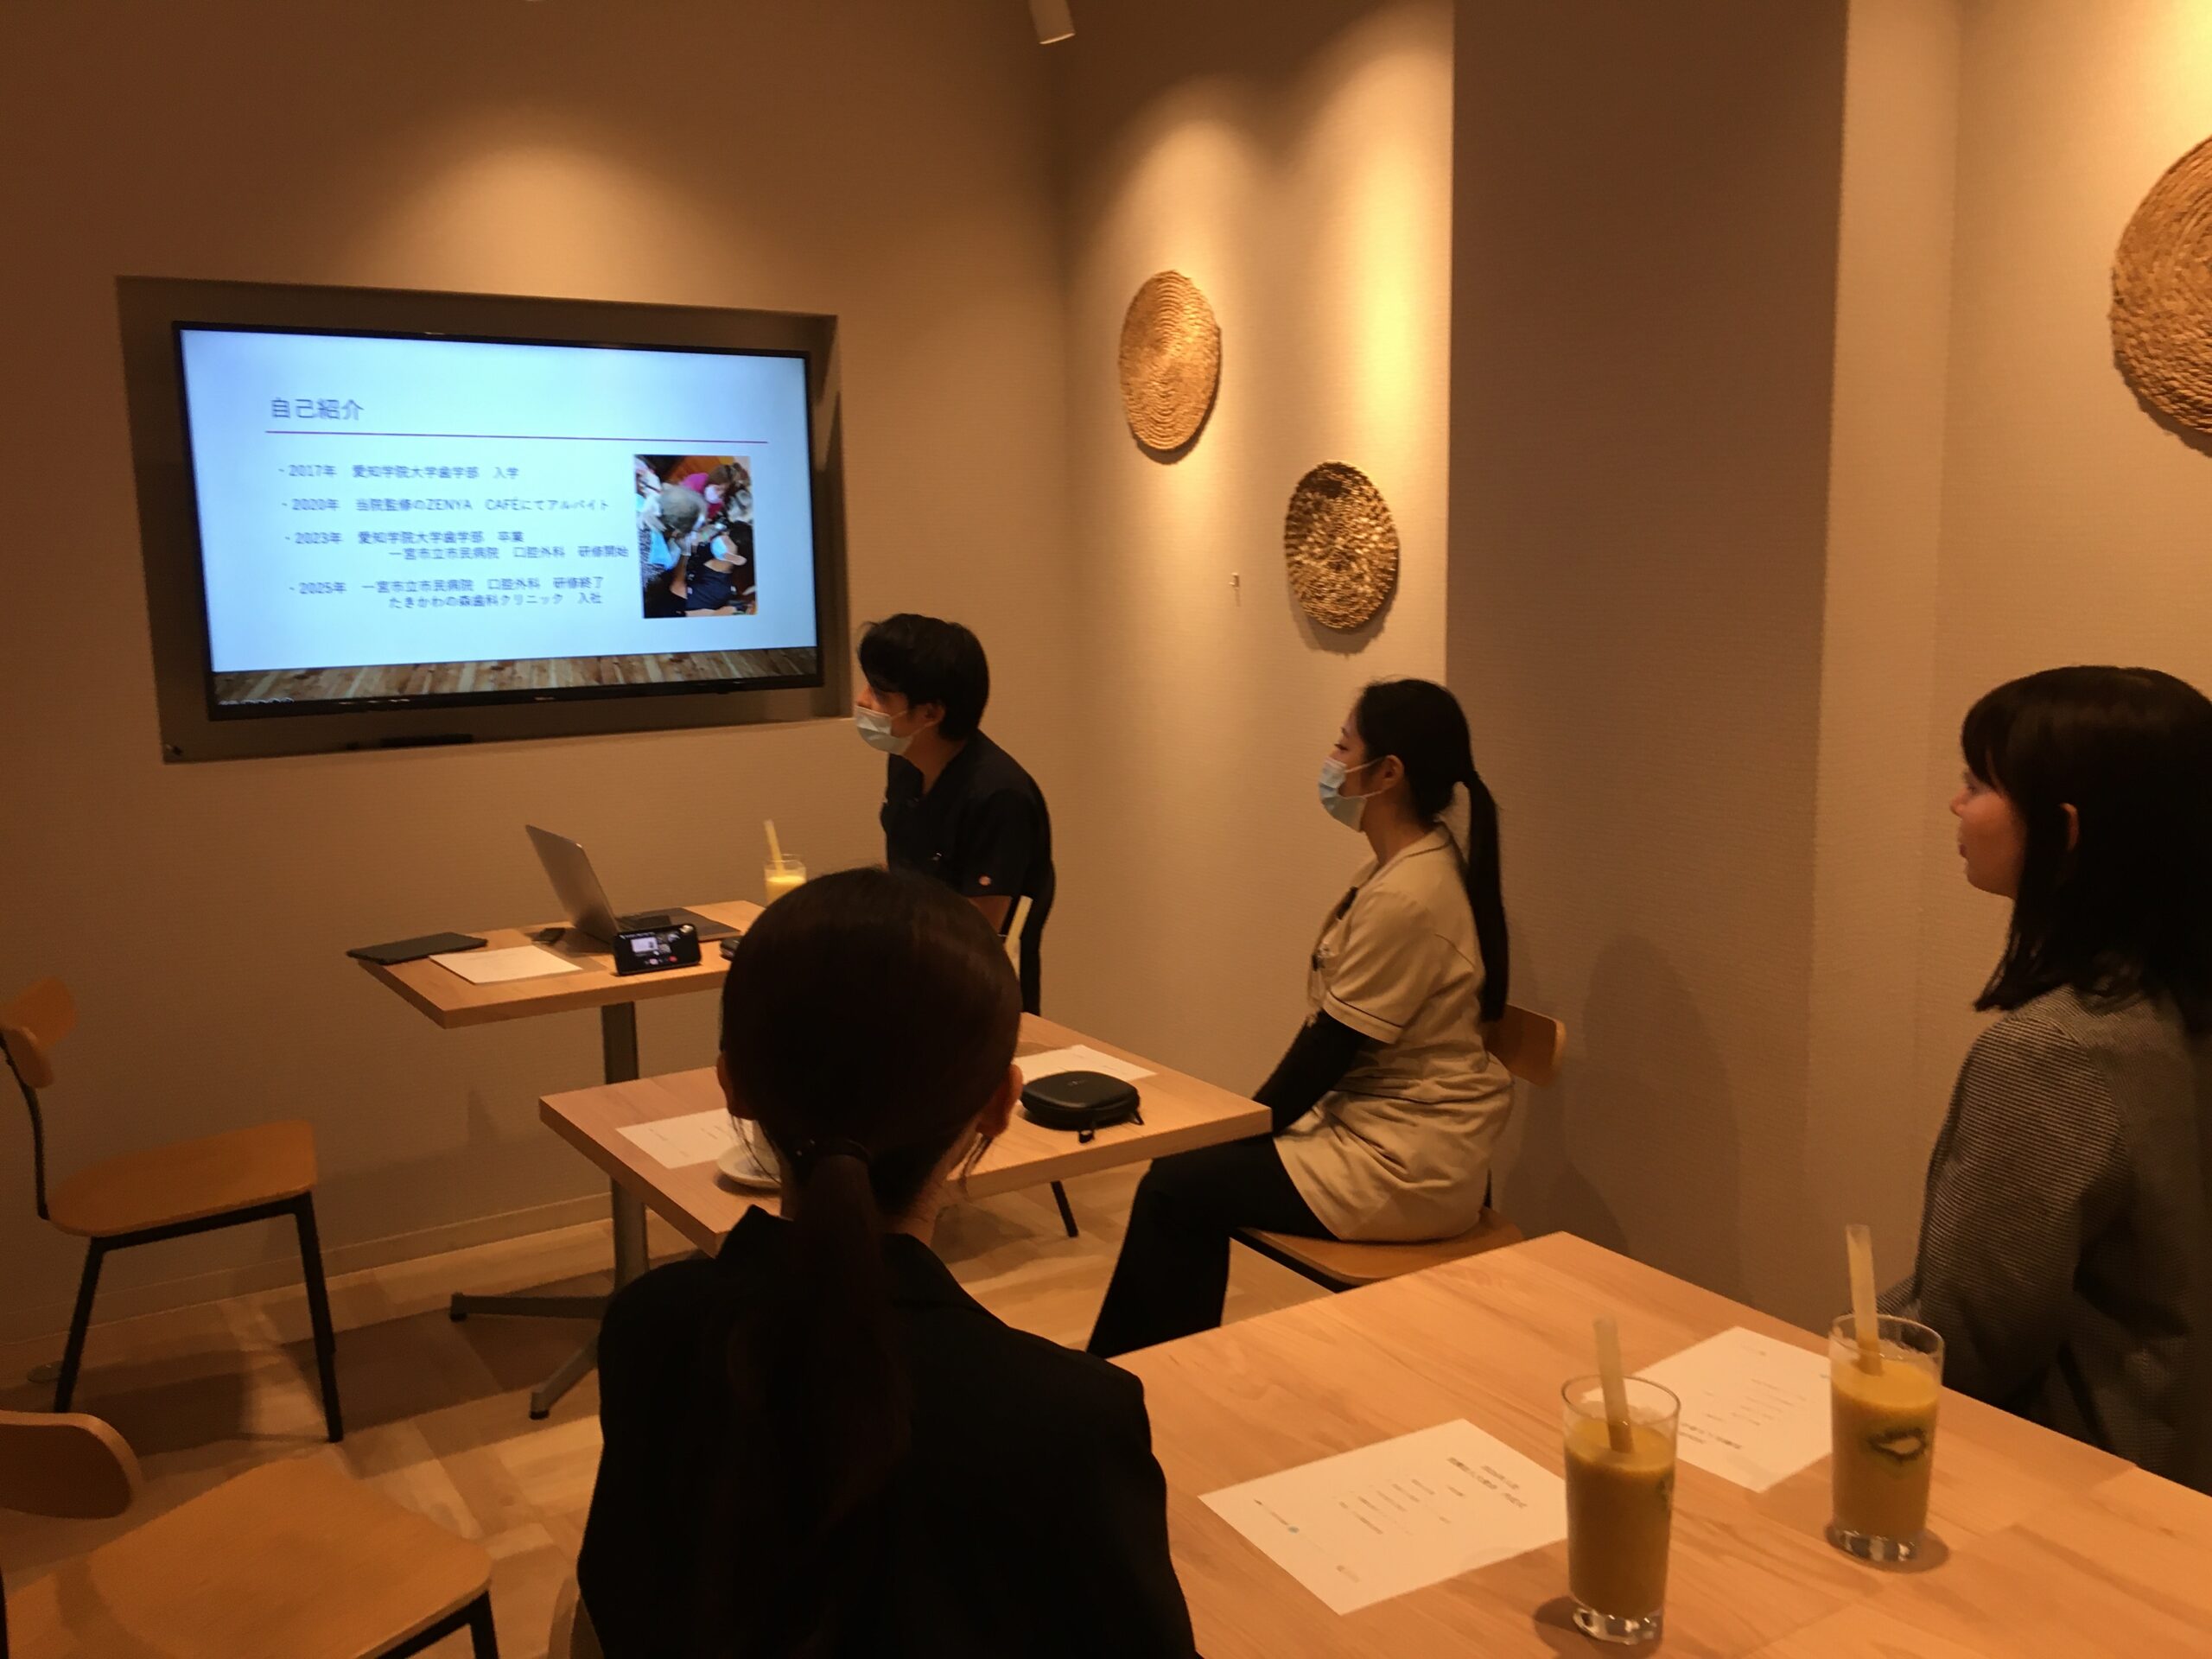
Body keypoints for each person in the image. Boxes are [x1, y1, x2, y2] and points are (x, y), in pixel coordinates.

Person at [578, 868, 1196, 1657]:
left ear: (732, 1085)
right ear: (1001, 1103)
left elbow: (624, 1590)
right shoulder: (1067, 1420)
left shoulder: (648, 1323)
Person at [1088, 677, 1514, 1358]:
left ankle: (1135, 1378)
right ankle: (1147, 1374)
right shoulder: (1406, 867)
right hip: (1375, 1129)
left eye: (1343, 746)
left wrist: (1238, 1131)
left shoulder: (1409, 894)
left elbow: (1326, 1053)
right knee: (1186, 1176)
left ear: (1388, 772)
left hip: (1402, 1163)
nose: (1331, 760)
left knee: (1176, 1187)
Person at [1881, 665, 2212, 1490]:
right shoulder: (2179, 1011)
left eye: (1978, 783)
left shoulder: (2054, 1053)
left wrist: (1847, 1344)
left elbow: (1967, 1342)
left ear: (2065, 832)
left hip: (2061, 1490)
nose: (1956, 805)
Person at [858, 614, 1054, 1014]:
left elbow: (973, 936)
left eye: (879, 694)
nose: (862, 701)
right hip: (910, 984)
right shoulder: (906, 764)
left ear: (930, 713)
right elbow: (904, 873)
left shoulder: (999, 796)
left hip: (974, 1005)